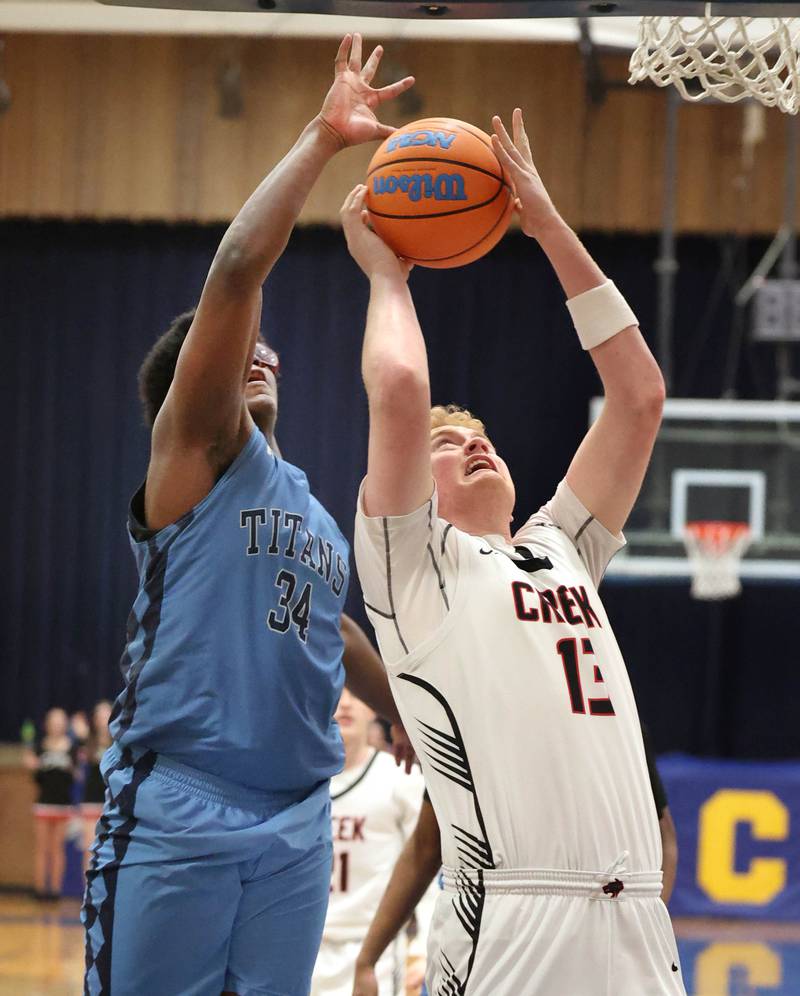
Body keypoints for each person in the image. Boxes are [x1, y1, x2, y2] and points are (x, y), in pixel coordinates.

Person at [82, 35, 415, 996]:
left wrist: (407, 709)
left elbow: (332, 623)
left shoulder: (308, 506)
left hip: (296, 820)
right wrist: (321, 137)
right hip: (182, 803)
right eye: (235, 356)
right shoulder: (194, 459)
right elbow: (235, 271)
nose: (256, 354)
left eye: (263, 350)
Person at [343, 107, 686, 994]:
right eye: (448, 445)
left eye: (482, 435)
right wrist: (388, 275)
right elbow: (403, 386)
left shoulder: (563, 547)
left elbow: (640, 394)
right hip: (511, 921)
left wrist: (544, 222)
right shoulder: (413, 571)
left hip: (637, 916)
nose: (475, 443)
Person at [352, 724, 679, 996]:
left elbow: (664, 838)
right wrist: (367, 959)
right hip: (498, 935)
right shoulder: (471, 719)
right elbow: (426, 847)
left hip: (553, 935)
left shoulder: (612, 719)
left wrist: (645, 926)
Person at [312, 687, 434, 996]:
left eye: (358, 692)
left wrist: (423, 950)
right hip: (302, 945)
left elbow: (427, 863)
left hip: (372, 948)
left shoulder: (400, 778)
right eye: (337, 690)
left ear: (375, 707)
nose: (347, 703)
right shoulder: (296, 781)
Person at [23, 707, 77, 901]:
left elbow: (77, 777)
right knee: (42, 848)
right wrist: (32, 764)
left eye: (60, 721)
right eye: (53, 722)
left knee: (57, 849)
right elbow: (37, 778)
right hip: (43, 804)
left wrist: (74, 768)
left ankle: (55, 890)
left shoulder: (73, 747)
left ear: (64, 724)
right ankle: (40, 890)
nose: (57, 725)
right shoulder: (39, 747)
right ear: (47, 725)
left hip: (63, 804)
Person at [79, 700, 113, 873]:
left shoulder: (119, 743)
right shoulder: (87, 743)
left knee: (109, 850)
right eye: (100, 716)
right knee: (89, 848)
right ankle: (88, 892)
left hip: (112, 802)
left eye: (107, 714)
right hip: (91, 801)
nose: (103, 719)